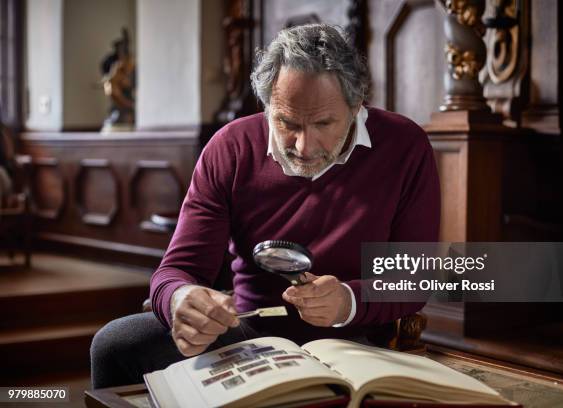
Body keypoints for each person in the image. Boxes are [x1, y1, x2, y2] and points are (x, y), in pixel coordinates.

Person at [90, 23, 440, 389]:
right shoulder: (230, 147)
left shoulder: (404, 145)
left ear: (357, 104)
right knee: (115, 345)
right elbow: (176, 270)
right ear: (267, 103)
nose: (304, 147)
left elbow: (414, 279)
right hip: (249, 334)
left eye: (323, 123)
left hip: (357, 339)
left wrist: (347, 301)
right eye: (286, 122)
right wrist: (180, 300)